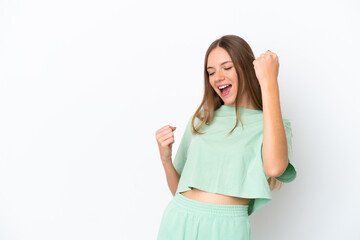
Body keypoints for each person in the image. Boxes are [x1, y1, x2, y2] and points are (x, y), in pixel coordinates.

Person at [155, 34, 297, 240]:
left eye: (227, 67)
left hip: (226, 228)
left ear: (248, 70)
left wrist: (269, 82)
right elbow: (179, 191)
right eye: (210, 72)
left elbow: (275, 168)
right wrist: (166, 159)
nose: (217, 77)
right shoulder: (202, 118)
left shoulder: (271, 124)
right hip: (178, 219)